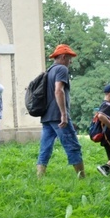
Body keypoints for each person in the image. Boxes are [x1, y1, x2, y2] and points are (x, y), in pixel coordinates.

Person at [36, 44, 85, 179]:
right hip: (58, 117)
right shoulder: (62, 69)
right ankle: (82, 178)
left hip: (47, 116)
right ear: (63, 57)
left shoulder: (49, 70)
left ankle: (39, 177)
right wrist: (63, 114)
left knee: (45, 147)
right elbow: (58, 90)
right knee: (73, 145)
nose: (71, 61)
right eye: (70, 58)